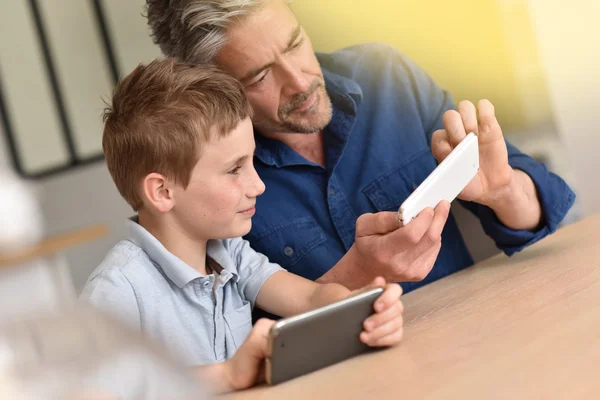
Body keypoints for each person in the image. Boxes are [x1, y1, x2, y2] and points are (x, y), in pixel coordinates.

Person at [145, 0, 576, 293]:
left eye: (295, 43)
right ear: (212, 88)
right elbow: (232, 347)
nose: (299, 82)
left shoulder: (386, 76)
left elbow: (543, 214)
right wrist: (355, 276)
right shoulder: (197, 181)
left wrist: (502, 191)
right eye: (260, 77)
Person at [80, 58, 404, 393]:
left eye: (251, 161)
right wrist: (227, 375)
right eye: (235, 169)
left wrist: (363, 308)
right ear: (163, 192)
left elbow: (310, 298)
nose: (258, 185)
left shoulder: (229, 253)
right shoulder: (117, 290)